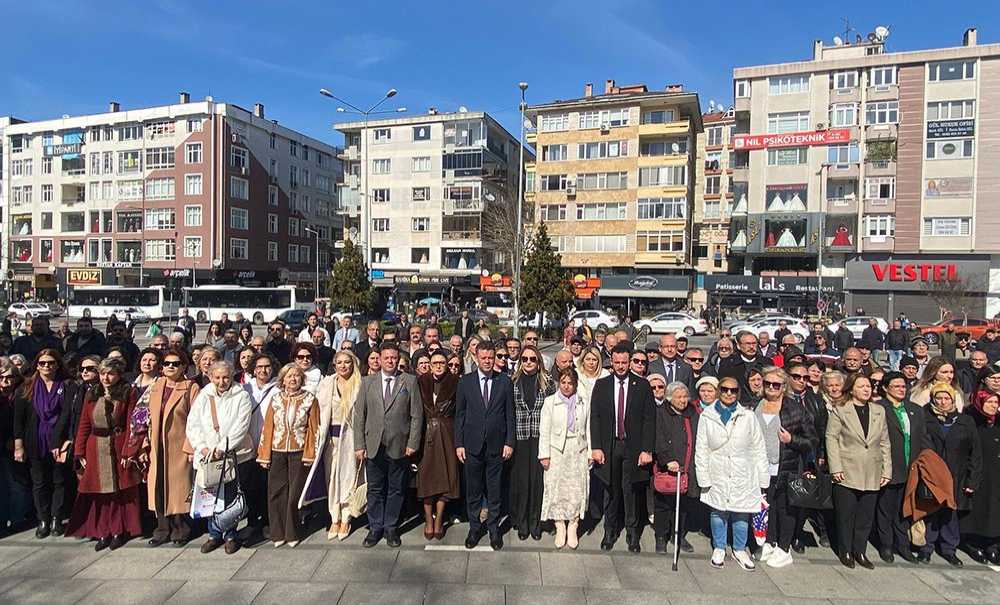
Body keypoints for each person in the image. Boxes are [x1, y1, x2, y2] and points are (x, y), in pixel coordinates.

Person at [353, 343, 423, 548]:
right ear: (380, 360)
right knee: (374, 489)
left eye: (394, 358)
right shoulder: (367, 382)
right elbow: (359, 417)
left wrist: (413, 443)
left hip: (399, 445)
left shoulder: (408, 381)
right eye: (387, 358)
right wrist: (359, 445)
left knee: (396, 489)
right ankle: (375, 527)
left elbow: (416, 415)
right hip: (373, 444)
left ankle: (391, 527)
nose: (391, 361)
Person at [695, 375, 768, 571]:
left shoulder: (748, 416)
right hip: (717, 469)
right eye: (725, 389)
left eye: (733, 390)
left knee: (741, 511)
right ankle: (719, 547)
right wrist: (703, 476)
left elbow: (758, 447)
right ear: (719, 390)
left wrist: (763, 477)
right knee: (718, 510)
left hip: (743, 470)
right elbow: (701, 448)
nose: (729, 393)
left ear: (738, 393)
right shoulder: (707, 415)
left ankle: (739, 548)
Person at [590, 344, 655, 553]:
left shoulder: (642, 386)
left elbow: (649, 419)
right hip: (610, 446)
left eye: (624, 363)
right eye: (616, 362)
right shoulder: (602, 385)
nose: (620, 366)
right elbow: (595, 418)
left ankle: (632, 533)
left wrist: (647, 449)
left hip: (633, 447)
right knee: (610, 490)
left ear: (630, 363)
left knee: (631, 491)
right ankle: (610, 531)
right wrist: (597, 447)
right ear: (612, 361)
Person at [186, 360, 253, 555]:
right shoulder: (204, 395)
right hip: (206, 455)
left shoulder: (241, 396)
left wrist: (223, 447)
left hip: (228, 455)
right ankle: (214, 534)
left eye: (226, 377)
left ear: (232, 376)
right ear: (210, 377)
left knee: (230, 496)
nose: (222, 381)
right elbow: (193, 423)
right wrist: (203, 447)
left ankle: (230, 534)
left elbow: (241, 426)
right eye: (217, 377)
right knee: (209, 496)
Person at [827, 373, 892, 569]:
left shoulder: (879, 410)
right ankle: (845, 549)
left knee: (865, 516)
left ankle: (860, 550)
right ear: (852, 389)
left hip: (872, 469)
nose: (866, 389)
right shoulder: (841, 410)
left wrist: (886, 470)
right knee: (846, 514)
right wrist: (835, 467)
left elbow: (884, 441)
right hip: (847, 469)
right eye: (862, 386)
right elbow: (831, 438)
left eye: (869, 386)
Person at [754, 367, 817, 568]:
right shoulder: (756, 405)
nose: (771, 388)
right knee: (767, 505)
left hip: (786, 467)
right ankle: (770, 542)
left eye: (776, 384)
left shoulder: (795, 409)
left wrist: (792, 440)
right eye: (767, 383)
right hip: (760, 467)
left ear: (783, 387)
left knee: (786, 509)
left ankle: (784, 547)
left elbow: (813, 441)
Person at [455, 340, 514, 550]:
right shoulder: (465, 382)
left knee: (495, 489)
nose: (488, 362)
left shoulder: (504, 382)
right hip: (472, 445)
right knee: (473, 489)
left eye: (491, 358)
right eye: (484, 358)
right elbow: (460, 415)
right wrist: (459, 443)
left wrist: (509, 442)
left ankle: (494, 528)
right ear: (476, 358)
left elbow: (509, 415)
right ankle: (474, 527)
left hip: (497, 446)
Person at [136, 348, 199, 547]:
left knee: (179, 489)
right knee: (158, 488)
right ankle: (162, 529)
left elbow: (197, 420)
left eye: (175, 364)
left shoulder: (190, 387)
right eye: (166, 364)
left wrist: (191, 446)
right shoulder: (156, 385)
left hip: (179, 446)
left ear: (184, 367)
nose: (170, 367)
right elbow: (141, 415)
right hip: (157, 445)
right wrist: (144, 443)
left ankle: (181, 529)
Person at [302, 351, 366, 541]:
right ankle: (334, 517)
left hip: (352, 440)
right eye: (340, 362)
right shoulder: (327, 383)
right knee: (331, 479)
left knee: (348, 478)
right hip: (329, 439)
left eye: (347, 362)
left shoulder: (360, 384)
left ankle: (346, 517)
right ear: (334, 365)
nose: (344, 366)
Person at [13, 348, 76, 538]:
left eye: (51, 363)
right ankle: (43, 520)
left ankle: (57, 518)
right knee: (39, 484)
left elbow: (69, 415)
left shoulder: (67, 386)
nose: (47, 366)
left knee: (59, 481)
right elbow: (18, 420)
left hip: (59, 442)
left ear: (57, 365)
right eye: (42, 363)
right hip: (35, 442)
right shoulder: (26, 388)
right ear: (36, 366)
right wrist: (19, 446)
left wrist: (66, 440)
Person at [257, 363, 321, 548]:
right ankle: (278, 533)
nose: (293, 379)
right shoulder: (276, 399)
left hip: (299, 452)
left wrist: (310, 453)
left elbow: (314, 428)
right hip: (277, 451)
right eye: (289, 376)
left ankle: (293, 531)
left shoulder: (310, 399)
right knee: (276, 492)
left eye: (297, 376)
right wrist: (264, 454)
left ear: (302, 379)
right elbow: (268, 427)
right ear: (282, 379)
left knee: (294, 494)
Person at [920, 382, 982, 566]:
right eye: (938, 398)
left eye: (946, 398)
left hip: (957, 474)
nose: (943, 401)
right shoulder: (925, 417)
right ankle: (926, 547)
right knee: (930, 510)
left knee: (950, 512)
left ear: (953, 399)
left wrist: (973, 480)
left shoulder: (965, 421)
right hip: (933, 473)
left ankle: (949, 548)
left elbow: (975, 453)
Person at [875, 371, 926, 564]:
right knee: (886, 509)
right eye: (896, 386)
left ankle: (902, 545)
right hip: (889, 468)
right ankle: (886, 545)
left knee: (904, 510)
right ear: (886, 388)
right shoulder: (879, 408)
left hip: (910, 467)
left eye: (903, 386)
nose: (901, 389)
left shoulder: (915, 410)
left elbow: (922, 437)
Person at [539, 367, 591, 550]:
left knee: (576, 489)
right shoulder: (550, 402)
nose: (567, 386)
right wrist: (544, 454)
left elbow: (589, 427)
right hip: (557, 451)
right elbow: (544, 430)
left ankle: (573, 525)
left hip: (577, 450)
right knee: (556, 488)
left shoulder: (583, 402)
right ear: (558, 383)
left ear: (575, 384)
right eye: (563, 382)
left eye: (570, 383)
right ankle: (560, 524)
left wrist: (590, 452)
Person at [510, 344, 556, 541]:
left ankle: (535, 522)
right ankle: (522, 522)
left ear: (539, 363)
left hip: (540, 438)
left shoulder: (548, 383)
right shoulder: (511, 382)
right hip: (520, 438)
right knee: (521, 482)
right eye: (525, 359)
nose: (528, 362)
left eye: (532, 359)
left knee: (538, 483)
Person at [416, 350, 460, 540]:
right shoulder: (420, 382)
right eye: (435, 362)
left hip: (447, 435)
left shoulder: (455, 382)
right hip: (426, 435)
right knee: (426, 478)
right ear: (430, 364)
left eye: (442, 362)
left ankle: (440, 518)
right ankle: (428, 518)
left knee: (445, 479)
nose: (439, 365)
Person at [652, 381, 700, 555]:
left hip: (687, 466)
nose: (683, 400)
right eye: (679, 397)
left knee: (683, 504)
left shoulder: (692, 413)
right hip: (668, 466)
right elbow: (657, 438)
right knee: (663, 504)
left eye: (685, 396)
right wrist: (667, 459)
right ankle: (661, 536)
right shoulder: (661, 413)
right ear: (670, 398)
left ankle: (677, 534)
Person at [961, 389, 1000, 564]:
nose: (993, 406)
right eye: (989, 402)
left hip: (996, 472)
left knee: (994, 509)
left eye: (996, 402)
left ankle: (992, 544)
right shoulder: (972, 422)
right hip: (978, 472)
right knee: (977, 508)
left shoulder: (998, 423)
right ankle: (973, 542)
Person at [242, 352, 277, 539]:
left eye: (267, 366)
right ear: (253, 370)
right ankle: (252, 521)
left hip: (269, 446)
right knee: (250, 486)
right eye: (259, 367)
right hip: (248, 446)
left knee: (267, 485)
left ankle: (268, 521)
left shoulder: (278, 388)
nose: (263, 370)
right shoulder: (245, 388)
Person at [0, 360, 30, 533]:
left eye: (10, 377)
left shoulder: (21, 394)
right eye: (2, 378)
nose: (6, 382)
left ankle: (18, 518)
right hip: (3, 445)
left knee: (17, 484)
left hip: (17, 445)